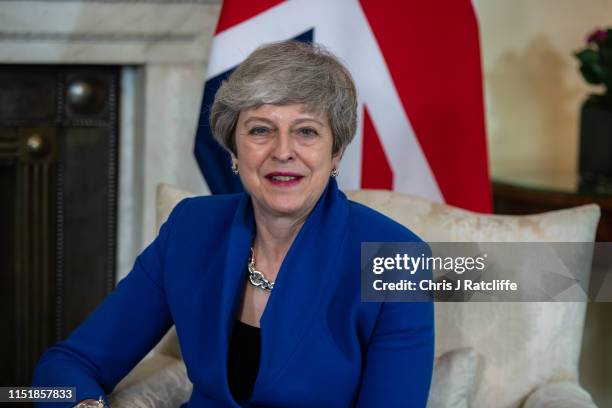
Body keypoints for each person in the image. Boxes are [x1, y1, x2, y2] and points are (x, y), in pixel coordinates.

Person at [32, 40, 434, 407]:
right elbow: (67, 364)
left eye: (306, 132)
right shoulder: (191, 229)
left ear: (336, 153)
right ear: (233, 149)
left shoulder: (397, 258)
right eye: (260, 130)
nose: (282, 152)